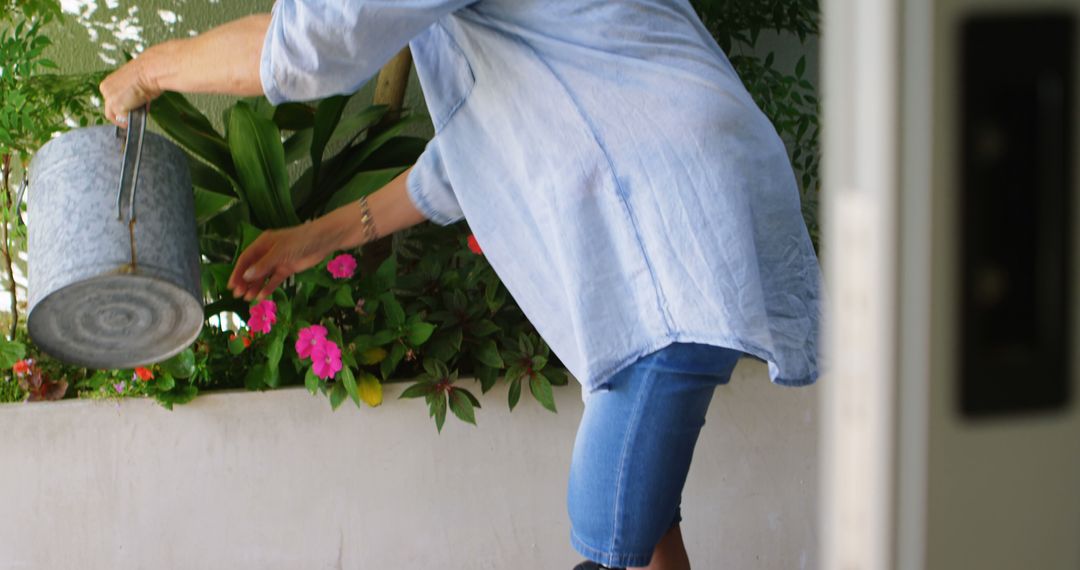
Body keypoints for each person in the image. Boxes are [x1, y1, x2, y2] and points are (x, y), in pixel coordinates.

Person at [101, 2, 821, 568]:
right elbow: (474, 150)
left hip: (666, 223)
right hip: (679, 211)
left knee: (610, 518)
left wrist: (152, 69)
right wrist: (317, 237)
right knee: (648, 524)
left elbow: (311, 40)